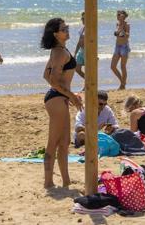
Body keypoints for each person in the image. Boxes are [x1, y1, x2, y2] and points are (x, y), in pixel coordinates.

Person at [42, 18, 82, 189]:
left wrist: (69, 95)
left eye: (67, 27)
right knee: (53, 142)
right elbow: (51, 79)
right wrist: (71, 95)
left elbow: (45, 75)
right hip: (57, 98)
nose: (67, 30)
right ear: (55, 33)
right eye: (63, 29)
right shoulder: (59, 52)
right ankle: (48, 182)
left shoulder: (59, 50)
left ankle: (66, 181)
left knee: (64, 143)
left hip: (60, 97)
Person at [111, 10, 130, 90]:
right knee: (113, 66)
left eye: (119, 15)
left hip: (124, 47)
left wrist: (122, 29)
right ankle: (122, 82)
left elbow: (127, 36)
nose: (118, 16)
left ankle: (122, 85)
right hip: (117, 46)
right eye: (117, 15)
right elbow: (116, 34)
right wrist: (119, 29)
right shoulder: (117, 24)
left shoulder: (127, 24)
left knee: (122, 66)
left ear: (124, 16)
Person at [73, 12, 85, 80]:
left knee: (88, 70)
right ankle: (87, 82)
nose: (82, 20)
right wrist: (75, 53)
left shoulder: (90, 29)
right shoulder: (82, 28)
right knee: (77, 68)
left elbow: (94, 42)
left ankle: (87, 85)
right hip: (81, 50)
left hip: (88, 51)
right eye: (82, 18)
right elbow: (79, 41)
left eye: (83, 18)